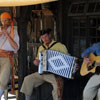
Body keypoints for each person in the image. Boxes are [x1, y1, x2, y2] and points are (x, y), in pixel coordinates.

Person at [20, 28, 70, 100]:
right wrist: (35, 62)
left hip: (54, 74)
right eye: (42, 37)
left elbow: (68, 58)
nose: (44, 39)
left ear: (50, 35)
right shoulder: (41, 47)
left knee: (57, 87)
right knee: (27, 79)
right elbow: (37, 59)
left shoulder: (59, 46)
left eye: (46, 36)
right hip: (42, 73)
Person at [0, 12, 19, 100]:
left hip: (7, 58)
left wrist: (7, 35)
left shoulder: (14, 31)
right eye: (2, 20)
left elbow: (16, 47)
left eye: (5, 20)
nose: (3, 22)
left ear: (9, 21)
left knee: (3, 80)